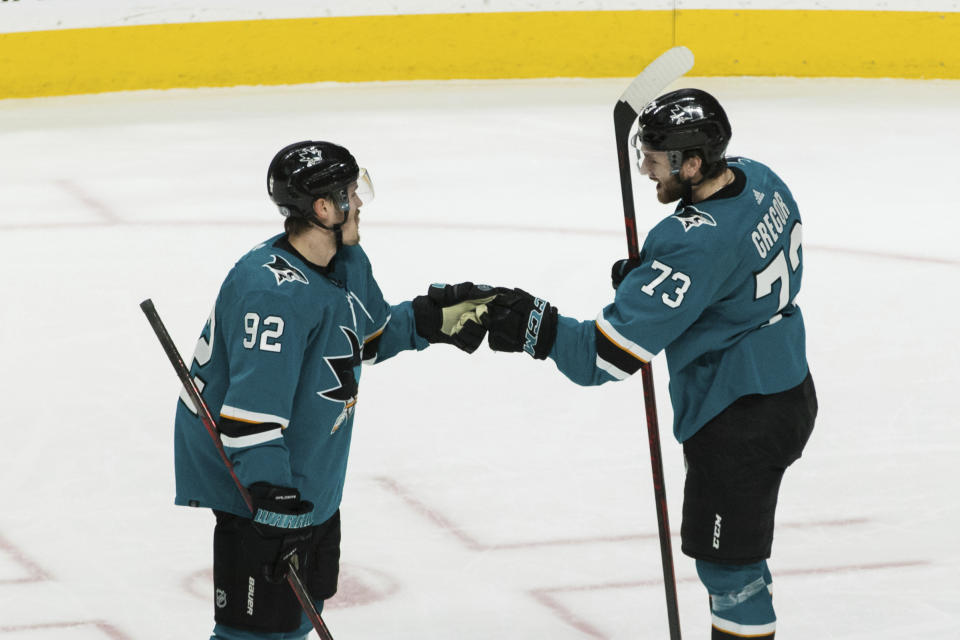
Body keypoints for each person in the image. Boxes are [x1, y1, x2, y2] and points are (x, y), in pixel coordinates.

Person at [481, 89, 817, 639]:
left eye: (657, 161)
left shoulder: (691, 244)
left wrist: (528, 324)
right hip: (787, 386)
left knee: (730, 573)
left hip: (736, 414)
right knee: (740, 563)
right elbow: (731, 264)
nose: (645, 169)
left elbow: (604, 359)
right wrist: (654, 279)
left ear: (693, 162)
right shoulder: (760, 178)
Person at [173, 140, 494, 640]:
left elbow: (367, 336)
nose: (359, 203)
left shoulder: (343, 262)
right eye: (350, 193)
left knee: (296, 621)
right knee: (254, 635)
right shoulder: (271, 294)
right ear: (324, 208)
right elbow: (249, 419)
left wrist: (433, 322)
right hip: (261, 492)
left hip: (312, 480)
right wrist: (273, 506)